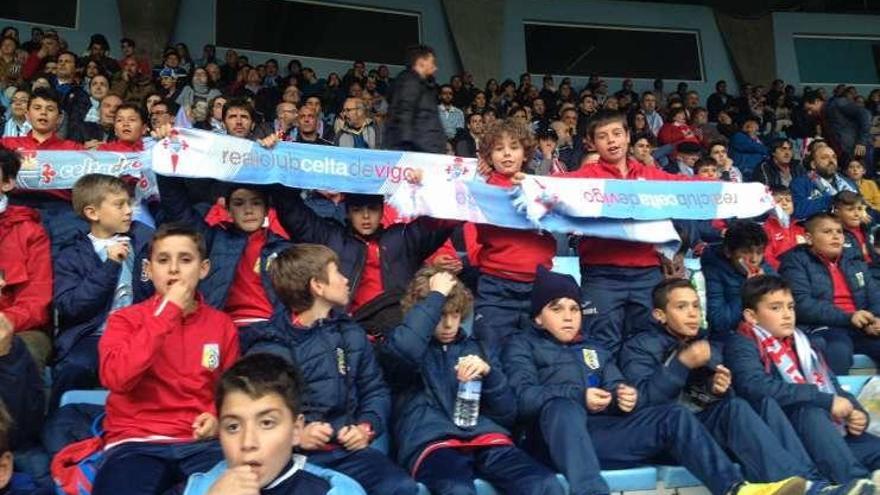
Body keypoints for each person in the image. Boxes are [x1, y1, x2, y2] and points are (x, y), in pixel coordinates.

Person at [503, 266, 805, 495]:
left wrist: (624, 397)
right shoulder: (521, 344)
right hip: (549, 439)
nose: (568, 317)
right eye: (556, 309)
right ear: (538, 318)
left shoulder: (594, 348)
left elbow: (622, 389)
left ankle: (736, 489)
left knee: (673, 415)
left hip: (600, 435)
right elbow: (521, 398)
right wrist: (579, 395)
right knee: (561, 407)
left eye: (574, 309)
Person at [621, 279, 844, 490]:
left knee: (758, 403)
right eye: (681, 307)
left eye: (696, 306)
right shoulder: (639, 346)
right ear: (660, 315)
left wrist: (715, 388)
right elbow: (643, 404)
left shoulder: (707, 341)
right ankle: (803, 485)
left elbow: (709, 397)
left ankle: (809, 481)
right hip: (673, 438)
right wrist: (682, 363)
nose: (692, 313)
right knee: (736, 409)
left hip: (706, 427)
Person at [240, 244, 419, 495]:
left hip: (346, 451)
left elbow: (375, 389)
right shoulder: (270, 345)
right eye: (337, 273)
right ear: (318, 286)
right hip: (290, 458)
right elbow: (254, 412)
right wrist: (297, 435)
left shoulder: (350, 332)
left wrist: (366, 427)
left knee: (402, 488)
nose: (346, 280)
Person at [379, 267, 562, 494]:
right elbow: (405, 350)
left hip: (488, 439)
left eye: (455, 315)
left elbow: (507, 415)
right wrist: (436, 296)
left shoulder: (479, 347)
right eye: (439, 315)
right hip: (432, 442)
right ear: (424, 312)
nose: (448, 325)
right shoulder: (404, 347)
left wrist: (490, 376)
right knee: (456, 489)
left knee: (544, 484)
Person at [524, 111, 691, 355]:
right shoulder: (584, 179)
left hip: (647, 274)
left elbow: (694, 189)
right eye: (603, 136)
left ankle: (640, 394)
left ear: (628, 136)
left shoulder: (652, 176)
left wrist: (743, 193)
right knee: (601, 346)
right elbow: (546, 188)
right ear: (591, 143)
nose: (611, 141)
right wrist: (519, 181)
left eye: (617, 134)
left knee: (650, 345)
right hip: (602, 276)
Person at [92, 223, 240, 494]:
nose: (174, 269)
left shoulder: (222, 325)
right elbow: (116, 378)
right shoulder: (125, 320)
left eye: (185, 260)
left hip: (200, 444)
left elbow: (231, 393)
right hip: (135, 443)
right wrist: (167, 311)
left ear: (204, 269)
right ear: (148, 270)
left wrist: (219, 418)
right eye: (163, 260)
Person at [725, 275, 880, 485]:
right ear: (752, 316)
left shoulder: (804, 342)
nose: (787, 315)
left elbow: (833, 386)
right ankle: (855, 484)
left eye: (790, 307)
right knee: (809, 410)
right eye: (776, 308)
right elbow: (754, 386)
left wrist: (857, 412)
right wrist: (823, 400)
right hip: (792, 437)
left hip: (833, 432)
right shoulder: (742, 344)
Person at [271, 175, 454, 336]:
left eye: (372, 209)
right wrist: (277, 160)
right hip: (351, 328)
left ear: (382, 211)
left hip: (399, 327)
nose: (366, 217)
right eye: (358, 210)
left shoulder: (402, 238)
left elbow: (447, 215)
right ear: (348, 213)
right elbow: (292, 212)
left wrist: (426, 182)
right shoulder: (331, 237)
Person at [183, 353, 358, 495]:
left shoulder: (333, 490)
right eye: (233, 427)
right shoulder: (193, 489)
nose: (248, 443)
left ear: (296, 430)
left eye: (267, 423)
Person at [52, 174, 154, 407]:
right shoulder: (71, 255)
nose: (129, 211)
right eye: (119, 205)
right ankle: (60, 425)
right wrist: (110, 266)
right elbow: (71, 307)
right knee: (74, 368)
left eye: (129, 203)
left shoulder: (145, 243)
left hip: (138, 334)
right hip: (93, 335)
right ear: (92, 213)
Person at [472, 120, 557, 348]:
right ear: (488, 157)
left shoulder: (543, 186)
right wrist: (478, 178)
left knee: (535, 356)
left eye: (514, 147)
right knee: (490, 354)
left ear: (526, 153)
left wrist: (534, 190)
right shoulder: (480, 188)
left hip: (539, 284)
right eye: (499, 149)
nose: (507, 154)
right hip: (496, 286)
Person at [778, 213, 880, 375]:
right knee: (838, 350)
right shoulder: (794, 261)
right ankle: (838, 399)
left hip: (861, 324)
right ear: (809, 238)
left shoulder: (854, 259)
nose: (836, 236)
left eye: (839, 231)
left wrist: (875, 318)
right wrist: (848, 317)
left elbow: (875, 294)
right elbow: (801, 304)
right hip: (823, 326)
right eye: (827, 232)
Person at [0, 145, 52, 368]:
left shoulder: (29, 231)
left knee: (17, 352)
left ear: (7, 183)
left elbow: (35, 303)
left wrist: (5, 322)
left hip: (20, 328)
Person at [702, 220, 774, 339]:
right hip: (730, 339)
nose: (754, 259)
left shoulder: (765, 269)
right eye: (746, 252)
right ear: (728, 252)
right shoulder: (713, 271)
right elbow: (718, 322)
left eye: (759, 252)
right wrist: (749, 290)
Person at [384, 45, 446, 153]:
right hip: (417, 150)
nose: (435, 67)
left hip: (427, 147)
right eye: (432, 62)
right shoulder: (410, 82)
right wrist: (406, 148)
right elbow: (404, 113)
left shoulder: (425, 85)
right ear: (421, 62)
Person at [803, 91, 873, 169]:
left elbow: (865, 114)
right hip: (844, 156)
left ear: (817, 101)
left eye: (810, 108)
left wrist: (862, 141)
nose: (809, 113)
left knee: (866, 178)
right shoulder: (820, 118)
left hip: (859, 150)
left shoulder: (837, 104)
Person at [790, 144, 857, 220]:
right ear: (813, 164)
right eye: (825, 158)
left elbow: (862, 204)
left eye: (834, 157)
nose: (831, 160)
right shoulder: (800, 183)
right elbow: (797, 210)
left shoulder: (848, 182)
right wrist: (831, 200)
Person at [763, 185, 806, 271]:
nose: (785, 203)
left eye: (788, 200)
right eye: (778, 201)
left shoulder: (801, 228)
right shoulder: (765, 230)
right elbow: (767, 258)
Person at [832, 191, 873, 263]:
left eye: (859, 209)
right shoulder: (836, 235)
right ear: (837, 212)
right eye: (850, 209)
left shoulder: (867, 228)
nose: (857, 214)